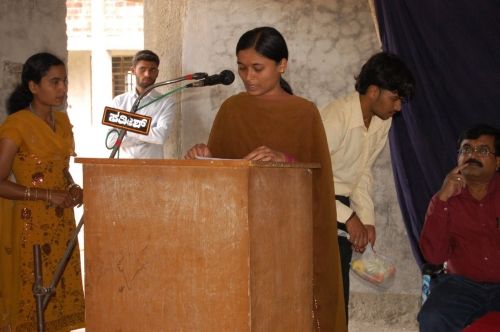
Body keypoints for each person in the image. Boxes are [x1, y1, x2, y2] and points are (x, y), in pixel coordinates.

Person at [185, 26, 346, 331]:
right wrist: (202, 157)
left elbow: (318, 183)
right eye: (242, 68)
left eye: (257, 68)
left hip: (287, 239)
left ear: (282, 65)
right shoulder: (231, 109)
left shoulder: (304, 113)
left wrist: (284, 161)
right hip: (239, 237)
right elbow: (218, 178)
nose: (248, 77)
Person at [320, 52, 415, 320]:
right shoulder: (334, 117)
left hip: (342, 205)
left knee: (338, 293)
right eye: (394, 98)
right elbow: (308, 179)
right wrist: (349, 218)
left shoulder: (381, 122)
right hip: (312, 203)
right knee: (321, 293)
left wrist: (367, 219)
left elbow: (363, 171)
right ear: (373, 91)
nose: (398, 108)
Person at [0, 53, 85, 331]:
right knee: (33, 293)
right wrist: (47, 196)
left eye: (65, 81)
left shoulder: (62, 123)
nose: (62, 88)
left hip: (61, 221)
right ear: (34, 87)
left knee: (59, 291)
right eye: (54, 82)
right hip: (29, 223)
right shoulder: (16, 125)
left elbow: (60, 170)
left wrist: (72, 187)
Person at [418, 124, 500, 331]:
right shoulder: (445, 199)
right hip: (461, 285)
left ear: (498, 161)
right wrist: (443, 197)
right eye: (466, 150)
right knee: (432, 318)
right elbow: (433, 257)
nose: (472, 155)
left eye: (482, 151)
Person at [110, 49, 175, 158]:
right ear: (133, 70)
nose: (147, 74)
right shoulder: (119, 101)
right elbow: (111, 140)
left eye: (152, 70)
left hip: (153, 170)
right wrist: (147, 135)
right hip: (123, 169)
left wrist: (127, 131)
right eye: (142, 69)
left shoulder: (166, 103)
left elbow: (160, 137)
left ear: (157, 73)